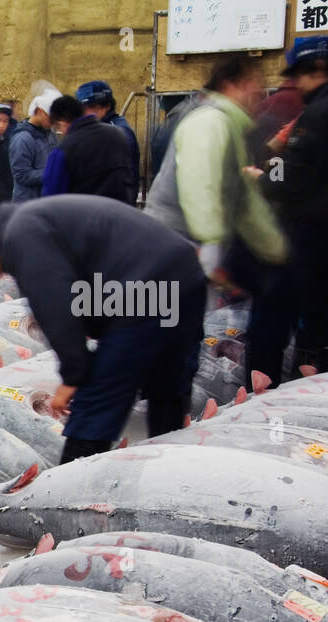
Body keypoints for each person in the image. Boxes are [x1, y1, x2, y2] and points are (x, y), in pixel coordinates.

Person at [0, 196, 207, 462]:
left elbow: (55, 305)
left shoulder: (20, 235)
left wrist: (74, 376)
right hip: (183, 274)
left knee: (95, 407)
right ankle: (166, 474)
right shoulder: (31, 219)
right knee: (167, 387)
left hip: (145, 288)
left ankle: (65, 495)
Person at [144, 57, 287, 303]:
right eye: (251, 84)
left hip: (191, 251)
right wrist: (210, 248)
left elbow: (244, 200)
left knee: (190, 331)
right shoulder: (210, 121)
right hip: (176, 247)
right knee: (164, 329)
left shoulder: (231, 127)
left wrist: (276, 250)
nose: (257, 92)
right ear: (229, 84)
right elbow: (201, 184)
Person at [254, 36, 328, 383]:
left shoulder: (317, 113)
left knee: (275, 317)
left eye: (300, 74)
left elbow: (289, 174)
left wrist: (264, 173)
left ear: (317, 68)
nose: (297, 84)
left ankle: (266, 395)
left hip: (309, 236)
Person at [41, 95, 135, 203]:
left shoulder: (63, 150)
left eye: (57, 128)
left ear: (63, 123)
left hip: (82, 217)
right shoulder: (118, 135)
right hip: (118, 213)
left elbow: (52, 198)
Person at [76, 81, 141, 200]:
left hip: (113, 205)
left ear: (106, 107)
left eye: (89, 108)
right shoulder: (100, 129)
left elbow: (118, 177)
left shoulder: (117, 132)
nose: (83, 115)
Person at [9, 90, 58, 202]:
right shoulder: (23, 138)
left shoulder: (50, 134)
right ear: (40, 111)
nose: (53, 122)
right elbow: (21, 174)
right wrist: (52, 172)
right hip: (27, 203)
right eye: (51, 117)